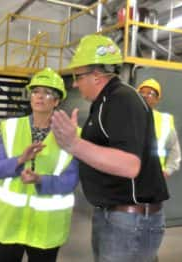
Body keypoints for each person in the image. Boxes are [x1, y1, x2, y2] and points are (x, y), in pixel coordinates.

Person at [51, 34, 169, 262]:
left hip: (128, 222)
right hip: (116, 217)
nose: (74, 83)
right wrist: (73, 143)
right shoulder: (105, 103)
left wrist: (74, 143)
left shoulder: (121, 100)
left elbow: (129, 165)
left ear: (96, 76)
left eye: (78, 76)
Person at [0, 67, 79, 262]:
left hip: (45, 230)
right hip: (10, 225)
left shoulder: (71, 134)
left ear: (57, 101)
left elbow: (69, 181)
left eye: (47, 93)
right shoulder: (11, 128)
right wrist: (20, 160)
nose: (40, 96)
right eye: (36, 91)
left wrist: (40, 179)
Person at [137, 78, 182, 178]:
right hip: (128, 174)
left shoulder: (165, 121)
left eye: (150, 93)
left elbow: (174, 151)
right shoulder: (127, 117)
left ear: (157, 99)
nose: (145, 96)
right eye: (141, 92)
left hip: (153, 177)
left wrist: (168, 171)